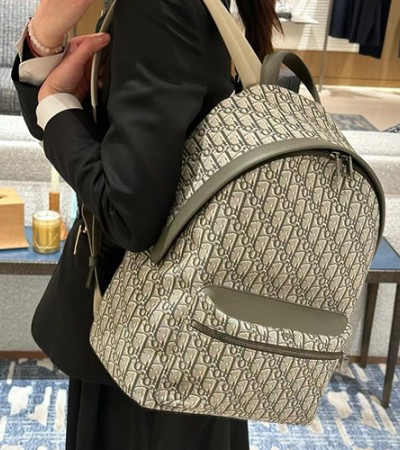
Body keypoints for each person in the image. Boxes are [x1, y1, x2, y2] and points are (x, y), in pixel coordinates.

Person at [12, 0, 281, 448]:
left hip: (143, 337)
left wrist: (56, 107)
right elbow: (126, 150)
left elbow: (129, 213)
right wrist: (46, 42)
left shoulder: (156, 6)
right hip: (187, 322)